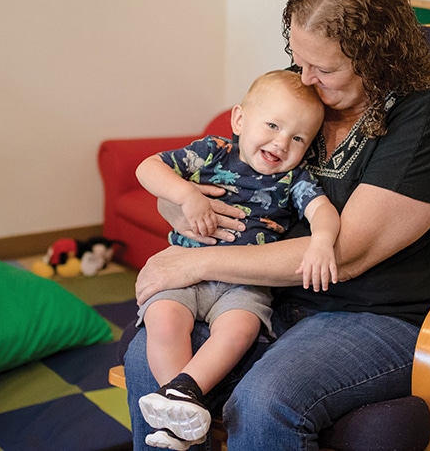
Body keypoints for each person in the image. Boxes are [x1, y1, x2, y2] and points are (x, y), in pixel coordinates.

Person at [125, 0, 430, 450]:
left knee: (266, 398)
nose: (305, 77)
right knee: (148, 354)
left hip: (388, 318)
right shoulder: (307, 97)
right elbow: (218, 180)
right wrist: (185, 207)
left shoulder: (426, 118)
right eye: (298, 56)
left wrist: (195, 261)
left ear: (378, 59)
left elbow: (348, 254)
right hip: (278, 296)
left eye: (325, 67)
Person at [133, 69, 341, 449]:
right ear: (240, 119)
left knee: (240, 330)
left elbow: (322, 209)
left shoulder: (294, 179)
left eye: (297, 138)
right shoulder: (214, 151)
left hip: (245, 284)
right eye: (273, 125)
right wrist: (187, 195)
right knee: (163, 319)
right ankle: (174, 408)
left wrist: (323, 240)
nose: (281, 142)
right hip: (185, 271)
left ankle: (185, 392)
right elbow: (147, 167)